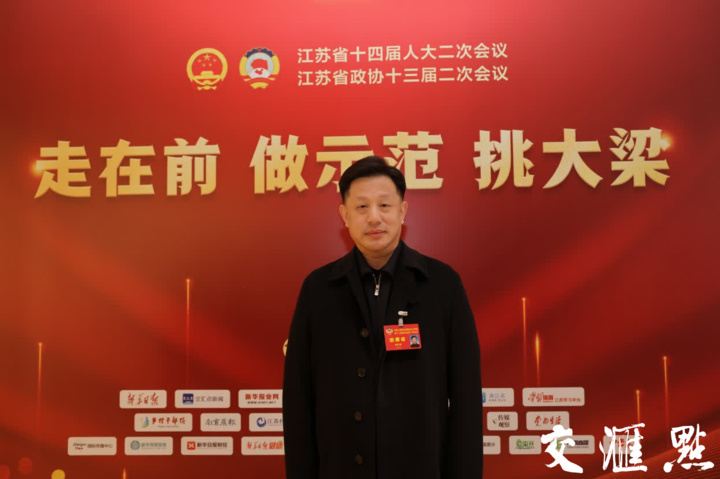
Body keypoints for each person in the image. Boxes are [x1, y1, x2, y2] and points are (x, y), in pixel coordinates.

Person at [282, 156, 483, 479]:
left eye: (384, 205)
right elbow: (298, 401)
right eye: (361, 207)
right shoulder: (318, 290)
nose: (374, 217)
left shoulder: (442, 285)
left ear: (402, 211)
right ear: (344, 215)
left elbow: (466, 399)